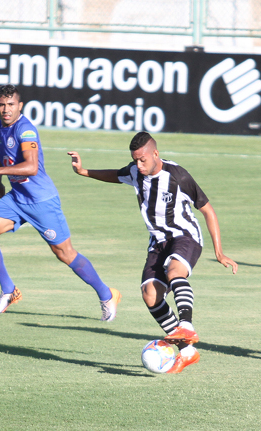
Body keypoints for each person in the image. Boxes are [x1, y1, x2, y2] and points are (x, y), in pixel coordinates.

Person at [68, 132, 238, 373]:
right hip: (157, 242)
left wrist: (219, 252)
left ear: (155, 154)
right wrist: (84, 172)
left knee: (174, 270)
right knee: (150, 295)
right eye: (135, 160)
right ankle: (187, 351)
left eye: (143, 160)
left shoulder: (178, 176)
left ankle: (186, 326)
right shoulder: (136, 171)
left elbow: (208, 211)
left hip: (184, 236)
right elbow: (117, 175)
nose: (138, 165)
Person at [0, 84, 120, 320]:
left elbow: (31, 167)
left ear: (20, 106)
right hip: (17, 198)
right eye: (2, 104)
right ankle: (9, 290)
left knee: (65, 254)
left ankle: (107, 294)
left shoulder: (26, 129)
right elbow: (5, 155)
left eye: (11, 104)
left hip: (41, 200)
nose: (6, 109)